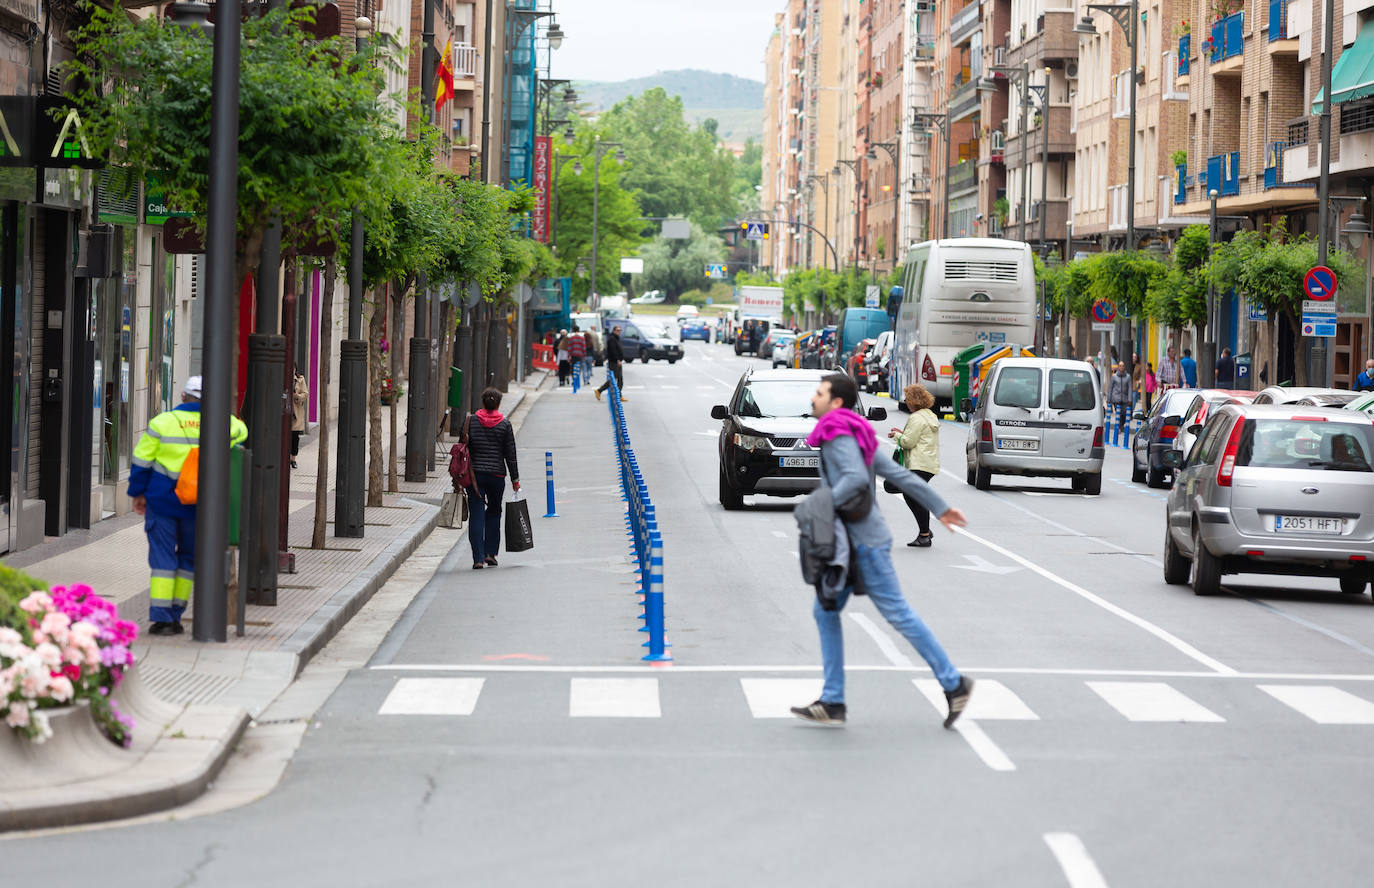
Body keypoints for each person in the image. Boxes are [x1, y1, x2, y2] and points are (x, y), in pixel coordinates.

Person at [791, 373, 974, 728]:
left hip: (862, 544)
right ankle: (832, 700)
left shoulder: (838, 433)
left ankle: (954, 684)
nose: (814, 397)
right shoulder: (857, 432)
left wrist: (819, 503)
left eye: (820, 392)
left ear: (836, 402)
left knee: (897, 614)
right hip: (853, 543)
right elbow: (900, 474)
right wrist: (940, 507)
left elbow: (857, 482)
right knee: (825, 610)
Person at [128, 376, 248, 636]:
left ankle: (161, 620)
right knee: (188, 559)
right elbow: (242, 431)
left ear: (183, 397)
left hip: (162, 502)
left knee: (162, 559)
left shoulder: (162, 423)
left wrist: (137, 493)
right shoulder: (221, 424)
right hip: (199, 505)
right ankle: (176, 615)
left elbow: (141, 462)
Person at [462, 387, 520, 570]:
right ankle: (490, 554)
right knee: (494, 511)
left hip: (475, 476)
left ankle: (478, 558)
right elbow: (510, 454)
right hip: (496, 476)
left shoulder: (471, 422)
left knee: (477, 514)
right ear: (499, 404)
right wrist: (515, 479)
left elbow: (462, 444)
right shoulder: (505, 424)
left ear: (483, 402)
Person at [887, 384, 941, 548]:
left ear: (913, 401)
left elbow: (908, 442)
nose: (906, 402)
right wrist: (902, 433)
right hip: (928, 463)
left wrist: (896, 435)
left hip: (918, 463)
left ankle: (924, 535)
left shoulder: (916, 417)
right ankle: (925, 530)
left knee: (914, 496)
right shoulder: (929, 415)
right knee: (912, 495)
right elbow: (917, 438)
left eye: (907, 399)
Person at [595, 326, 627, 402]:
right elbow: (613, 351)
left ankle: (619, 395)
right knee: (614, 379)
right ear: (613, 331)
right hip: (614, 362)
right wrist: (617, 359)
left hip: (617, 361)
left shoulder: (616, 338)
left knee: (620, 379)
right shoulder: (612, 339)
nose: (619, 332)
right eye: (617, 330)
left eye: (620, 330)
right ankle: (599, 390)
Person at [1107, 362, 1133, 434]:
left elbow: (1130, 388)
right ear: (1118, 367)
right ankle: (1119, 427)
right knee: (1118, 413)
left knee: (1124, 413)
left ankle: (1121, 425)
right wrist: (1109, 399)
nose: (1121, 367)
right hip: (1116, 398)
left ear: (1124, 367)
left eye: (1123, 366)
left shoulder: (1128, 377)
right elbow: (1110, 388)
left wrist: (1130, 399)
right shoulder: (1114, 377)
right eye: (1120, 366)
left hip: (1125, 399)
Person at [291, 372, 308, 469]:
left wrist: (297, 396)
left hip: (296, 414)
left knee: (294, 438)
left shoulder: (300, 379)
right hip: (285, 412)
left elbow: (305, 394)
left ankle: (293, 459)